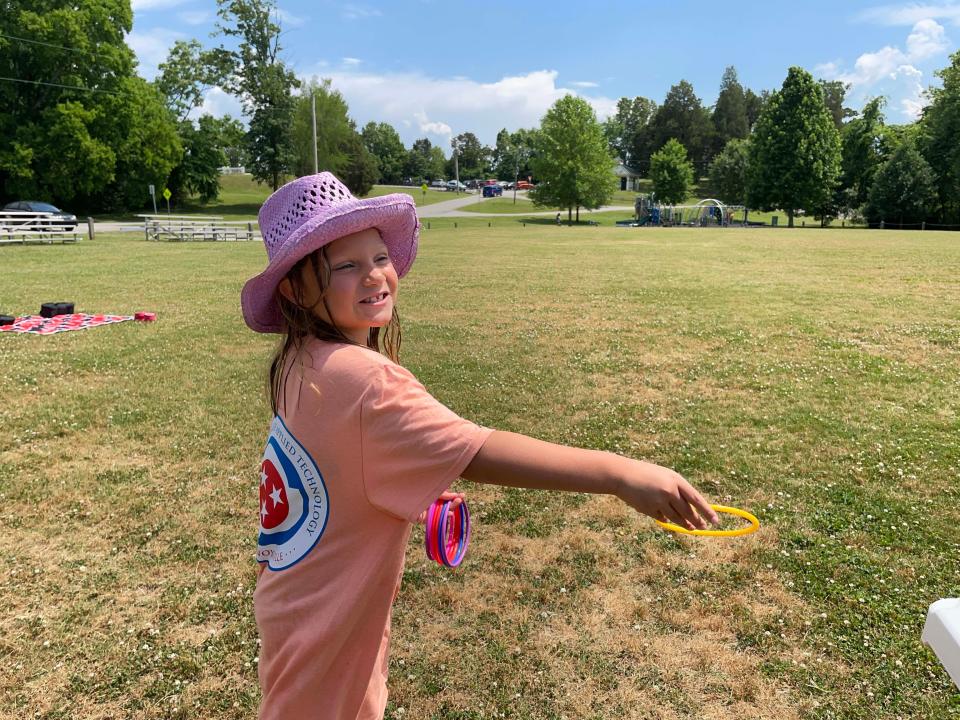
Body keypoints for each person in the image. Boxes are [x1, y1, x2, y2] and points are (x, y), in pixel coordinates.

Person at [242, 172, 719, 720]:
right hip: (328, 631)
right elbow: (476, 448)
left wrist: (410, 484)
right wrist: (617, 472)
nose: (375, 275)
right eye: (345, 265)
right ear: (295, 289)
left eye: (378, 257)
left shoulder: (302, 361)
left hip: (293, 607)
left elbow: (340, 469)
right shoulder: (364, 381)